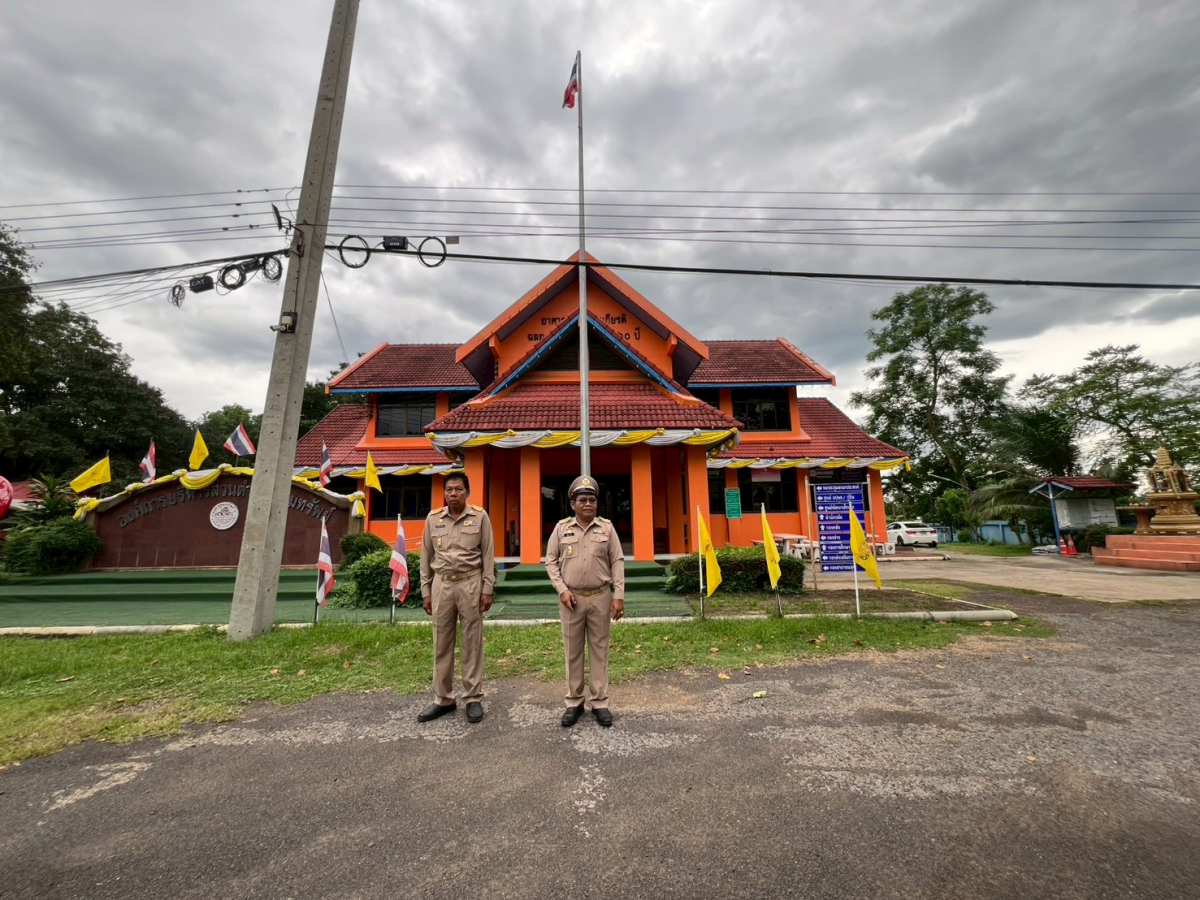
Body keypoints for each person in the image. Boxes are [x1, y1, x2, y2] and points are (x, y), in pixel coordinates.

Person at [545, 474, 625, 728]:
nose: (588, 504)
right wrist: (562, 590)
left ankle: (600, 702)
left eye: (592, 499)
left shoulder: (607, 529)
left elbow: (617, 562)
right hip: (572, 600)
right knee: (572, 652)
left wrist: (618, 596)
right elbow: (550, 561)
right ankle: (574, 702)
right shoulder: (561, 529)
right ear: (573, 504)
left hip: (601, 596)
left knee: (600, 650)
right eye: (582, 500)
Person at [418, 472, 494, 724]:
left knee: (472, 643)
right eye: (449, 490)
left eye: (458, 489)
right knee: (441, 642)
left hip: (471, 582)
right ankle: (444, 699)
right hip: (442, 585)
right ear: (444, 493)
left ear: (467, 492)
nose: (453, 494)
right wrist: (426, 591)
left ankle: (472, 698)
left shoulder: (480, 518)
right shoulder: (433, 519)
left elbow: (488, 557)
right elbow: (425, 559)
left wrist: (487, 588)